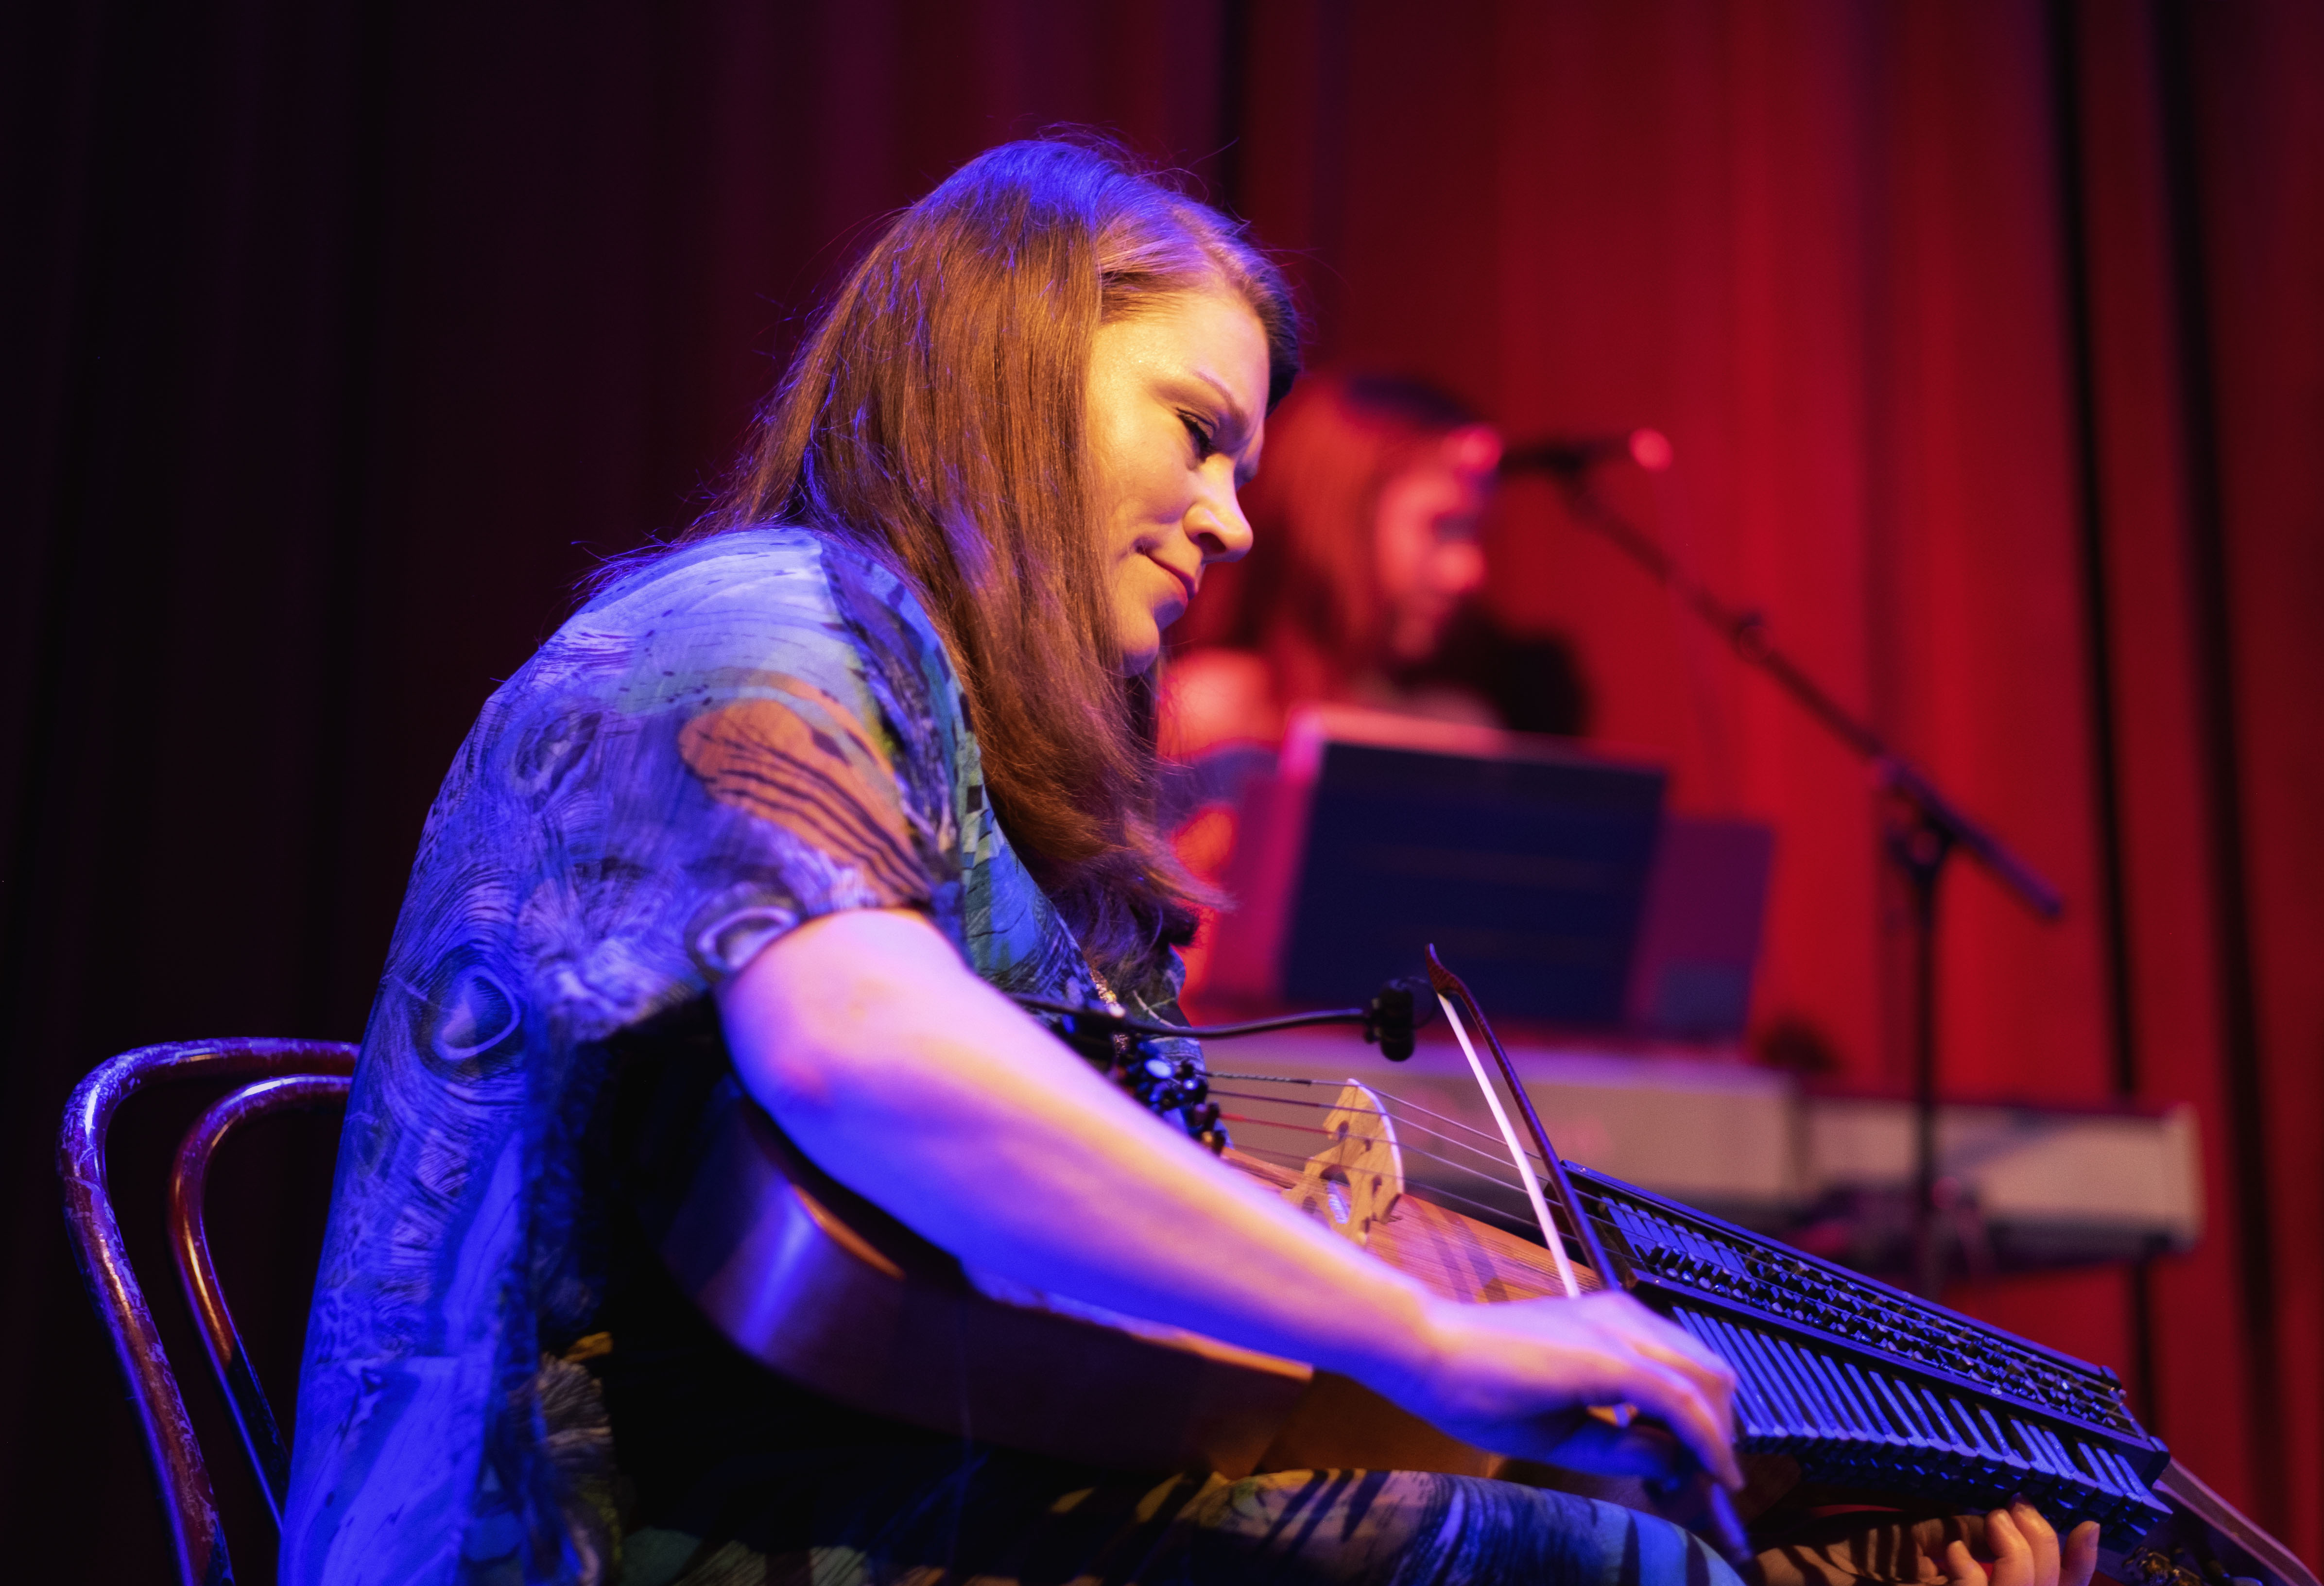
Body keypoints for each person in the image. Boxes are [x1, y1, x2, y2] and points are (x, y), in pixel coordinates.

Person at [282, 139, 2095, 1586]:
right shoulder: (759, 620)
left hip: (833, 1489)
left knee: (1621, 1545)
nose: (1234, 517)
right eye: (1199, 429)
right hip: (590, 1539)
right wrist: (1428, 1341)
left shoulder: (975, 759)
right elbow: (862, 1048)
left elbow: (1045, 1308)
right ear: (1001, 365)